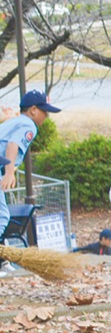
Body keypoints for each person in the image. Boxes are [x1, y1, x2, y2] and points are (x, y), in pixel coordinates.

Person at [0, 91, 61, 244]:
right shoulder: (28, 125)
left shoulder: (13, 122)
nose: (46, 116)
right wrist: (8, 173)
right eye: (44, 111)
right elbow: (13, 144)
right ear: (33, 110)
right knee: (2, 217)